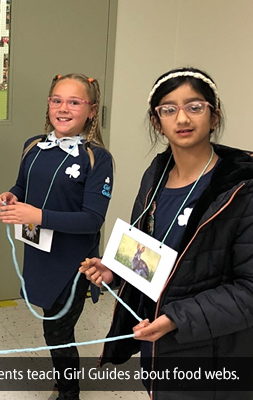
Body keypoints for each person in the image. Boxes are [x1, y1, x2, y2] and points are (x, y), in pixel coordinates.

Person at [80, 67, 253, 399]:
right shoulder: (155, 176)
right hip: (159, 348)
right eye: (169, 109)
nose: (183, 118)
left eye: (195, 106)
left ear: (214, 116)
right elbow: (151, 252)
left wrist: (176, 317)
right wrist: (115, 269)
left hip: (215, 353)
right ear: (157, 121)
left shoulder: (241, 190)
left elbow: (248, 290)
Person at [0, 73, 113, 400]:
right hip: (39, 253)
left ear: (91, 110)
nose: (64, 108)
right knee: (52, 324)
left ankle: (68, 392)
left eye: (74, 102)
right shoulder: (33, 146)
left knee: (59, 330)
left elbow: (92, 219)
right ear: (48, 105)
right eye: (57, 100)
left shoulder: (97, 159)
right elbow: (22, 186)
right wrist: (11, 196)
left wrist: (38, 216)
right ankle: (63, 382)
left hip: (74, 262)